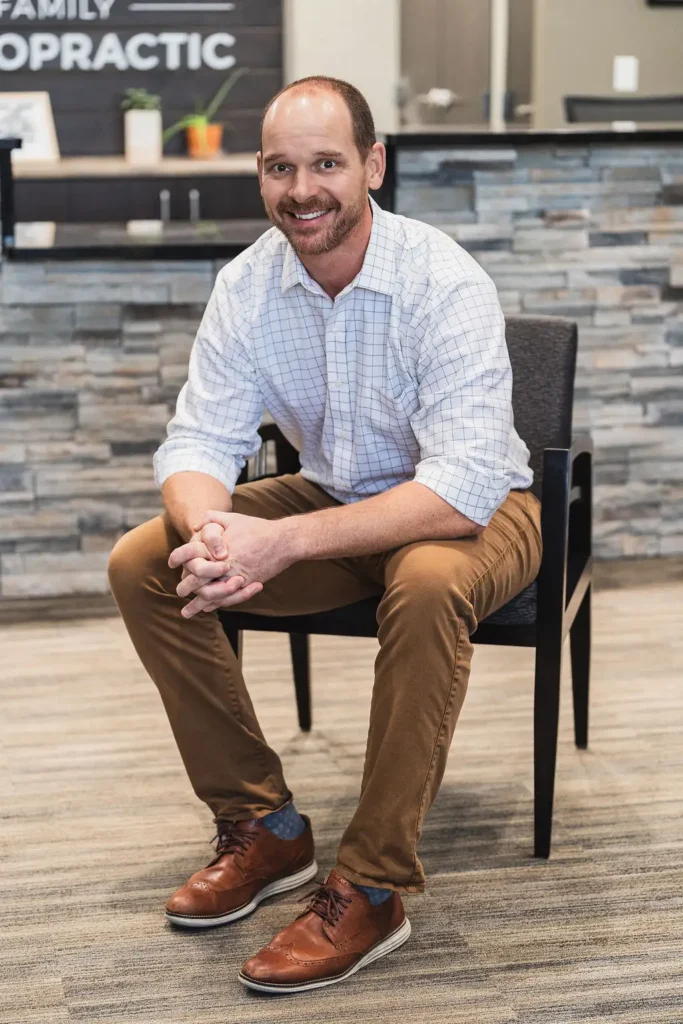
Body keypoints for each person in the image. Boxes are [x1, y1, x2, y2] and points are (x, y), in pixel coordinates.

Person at [107, 75, 541, 995]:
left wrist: (282, 544)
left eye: (326, 164)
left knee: (423, 583)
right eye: (279, 167)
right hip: (340, 500)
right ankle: (264, 826)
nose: (302, 190)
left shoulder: (440, 279)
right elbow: (198, 441)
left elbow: (459, 489)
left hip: (478, 511)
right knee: (146, 560)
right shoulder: (248, 284)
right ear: (261, 177)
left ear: (373, 165)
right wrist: (213, 532)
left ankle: (375, 884)